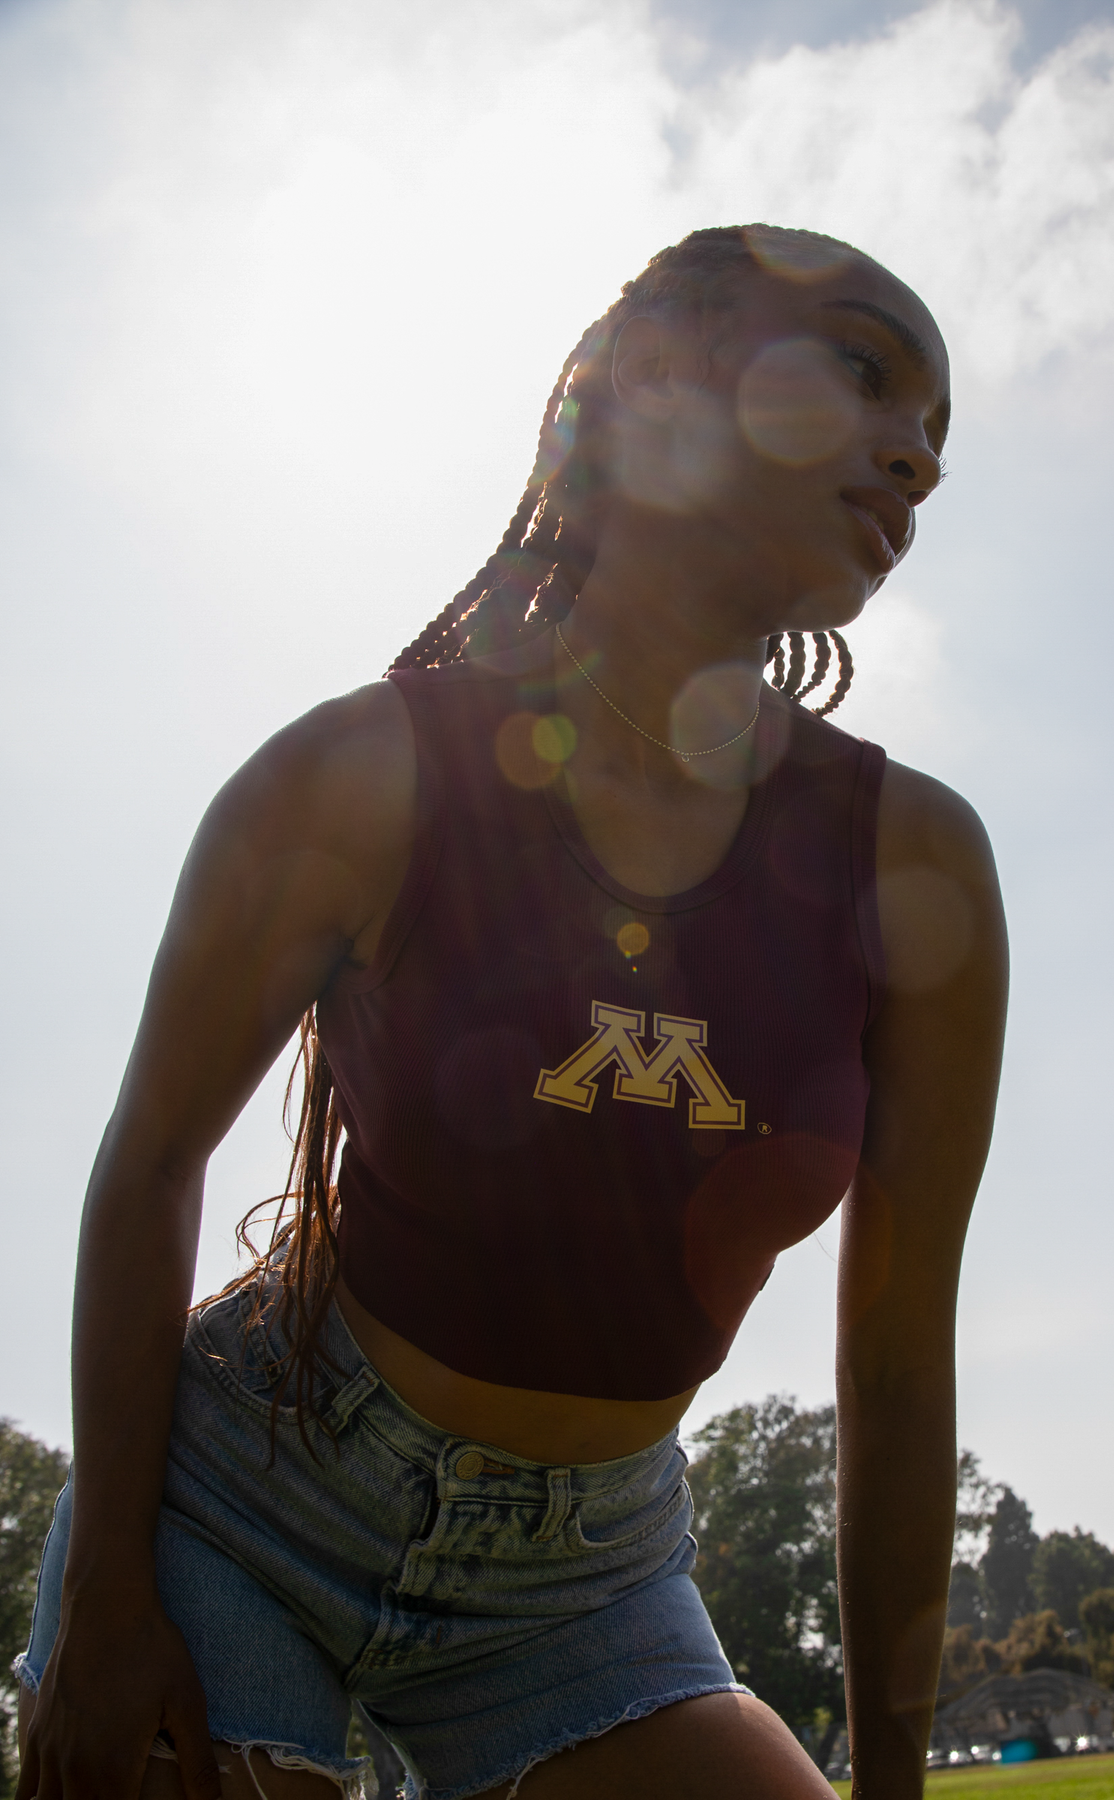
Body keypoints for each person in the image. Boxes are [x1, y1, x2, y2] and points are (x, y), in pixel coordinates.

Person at [15, 224, 1007, 1800]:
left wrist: (893, 1776)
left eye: (938, 437)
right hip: (247, 1507)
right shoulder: (359, 774)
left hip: (589, 1579)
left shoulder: (916, 861)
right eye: (871, 374)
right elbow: (147, 1166)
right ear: (661, 379)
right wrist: (110, 1603)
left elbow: (895, 1357)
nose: (917, 461)